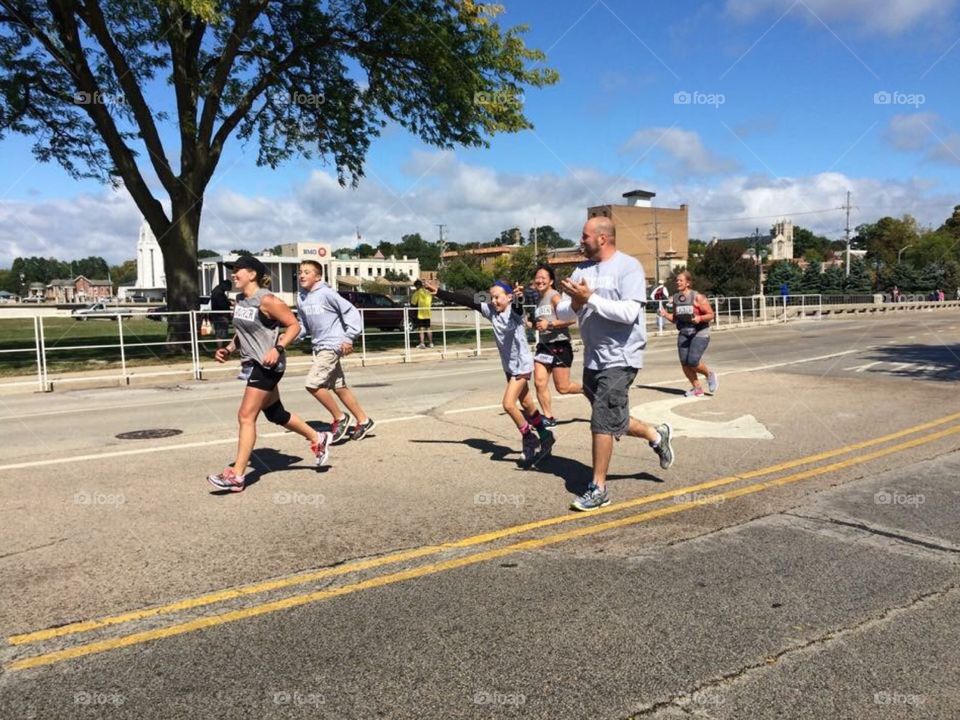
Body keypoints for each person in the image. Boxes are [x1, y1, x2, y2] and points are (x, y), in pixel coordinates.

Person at [556, 216, 674, 512]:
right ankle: (655, 434)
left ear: (602, 238)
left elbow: (628, 312)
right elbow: (562, 308)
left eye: (584, 236)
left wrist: (590, 298)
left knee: (601, 422)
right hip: (593, 358)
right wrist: (575, 303)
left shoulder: (628, 267)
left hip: (621, 357)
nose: (580, 241)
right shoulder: (582, 269)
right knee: (612, 419)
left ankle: (598, 488)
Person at [207, 256, 330, 492]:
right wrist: (229, 349)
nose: (233, 274)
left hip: (268, 365)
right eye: (232, 270)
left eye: (237, 270)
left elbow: (294, 325)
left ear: (252, 274)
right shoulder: (241, 300)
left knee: (245, 416)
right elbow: (242, 332)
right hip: (252, 363)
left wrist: (278, 348)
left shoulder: (268, 300)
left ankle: (237, 475)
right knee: (276, 413)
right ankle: (318, 437)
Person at [424, 278, 554, 467]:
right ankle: (545, 435)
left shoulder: (514, 312)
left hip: (522, 365)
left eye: (497, 297)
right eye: (492, 297)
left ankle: (529, 438)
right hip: (509, 367)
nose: (494, 301)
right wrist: (439, 293)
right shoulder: (491, 312)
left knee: (509, 405)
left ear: (508, 297)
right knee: (526, 404)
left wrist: (518, 299)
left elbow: (518, 308)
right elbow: (468, 301)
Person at [297, 260, 376, 444]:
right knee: (339, 387)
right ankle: (364, 421)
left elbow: (351, 312)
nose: (302, 275)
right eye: (300, 272)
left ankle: (340, 418)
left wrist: (349, 337)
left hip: (332, 345)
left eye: (307, 272)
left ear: (318, 276)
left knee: (313, 384)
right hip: (318, 346)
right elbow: (303, 326)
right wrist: (288, 339)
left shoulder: (327, 293)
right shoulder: (301, 298)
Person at [529, 264, 581, 430]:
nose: (540, 280)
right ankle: (548, 417)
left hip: (559, 344)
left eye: (544, 277)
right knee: (539, 382)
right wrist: (531, 324)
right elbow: (540, 323)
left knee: (563, 388)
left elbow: (572, 319)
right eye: (538, 277)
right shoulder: (538, 299)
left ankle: (588, 389)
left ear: (551, 281)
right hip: (544, 345)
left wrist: (549, 324)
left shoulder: (554, 296)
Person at [658, 270, 718, 398]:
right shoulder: (676, 298)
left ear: (688, 283)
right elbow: (675, 319)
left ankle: (709, 374)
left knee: (693, 361)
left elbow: (711, 315)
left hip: (700, 332)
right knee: (684, 362)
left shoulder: (698, 297)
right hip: (684, 332)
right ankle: (697, 389)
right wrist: (664, 314)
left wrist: (700, 319)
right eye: (677, 280)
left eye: (681, 280)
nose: (678, 282)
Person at [410, 279, 434, 349]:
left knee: (421, 329)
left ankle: (422, 343)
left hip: (420, 314)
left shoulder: (417, 293)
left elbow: (413, 303)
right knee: (428, 328)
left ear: (417, 286)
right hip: (428, 313)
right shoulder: (428, 292)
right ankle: (431, 343)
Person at [209, 279, 233, 348]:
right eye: (228, 288)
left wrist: (229, 302)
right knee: (221, 332)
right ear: (225, 286)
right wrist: (228, 306)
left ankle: (222, 346)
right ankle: (220, 347)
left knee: (221, 331)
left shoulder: (218, 291)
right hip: (220, 315)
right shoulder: (218, 293)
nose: (228, 290)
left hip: (219, 315)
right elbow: (221, 304)